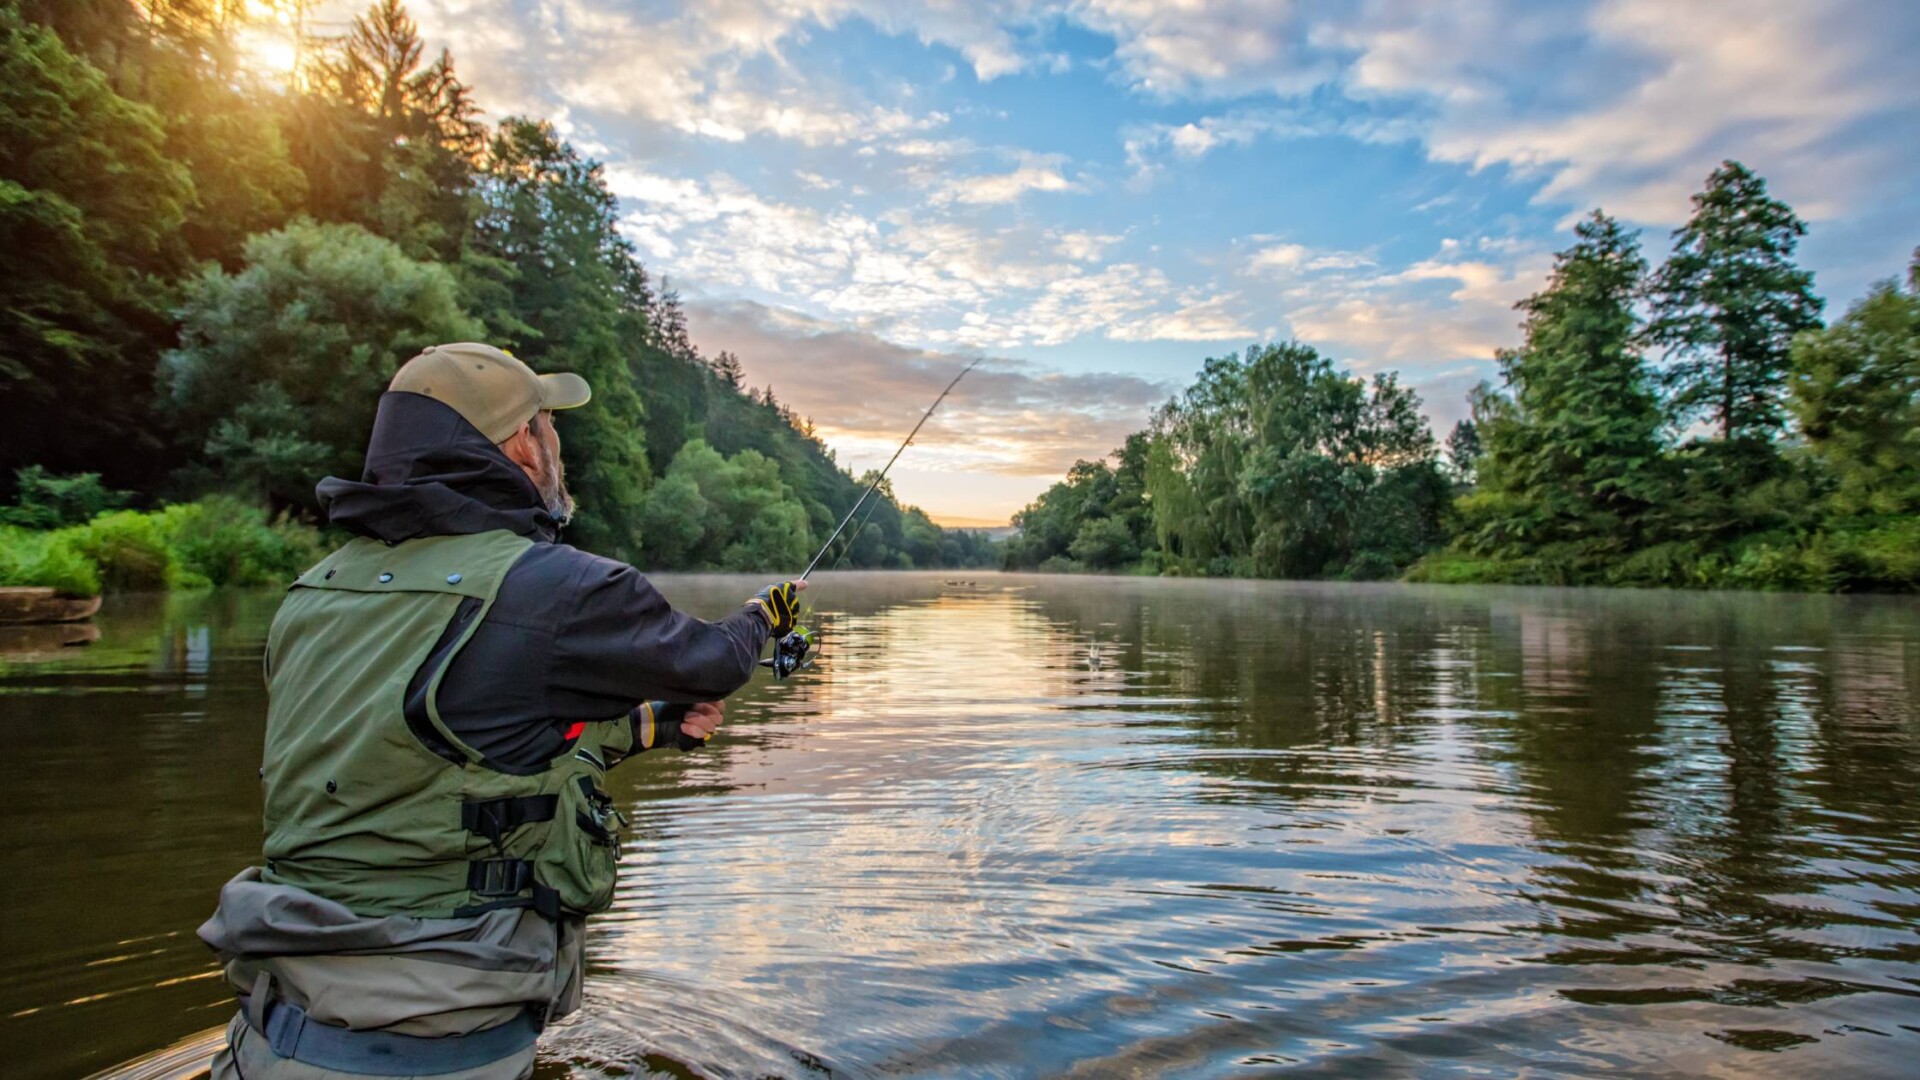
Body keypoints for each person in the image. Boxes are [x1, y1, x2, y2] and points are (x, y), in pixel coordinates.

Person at [198, 342, 804, 1078]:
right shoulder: (560, 589)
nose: (557, 447)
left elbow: (434, 746)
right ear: (522, 441)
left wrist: (649, 725)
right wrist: (759, 618)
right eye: (551, 426)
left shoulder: (314, 593)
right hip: (435, 1052)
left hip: (264, 1035)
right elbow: (713, 660)